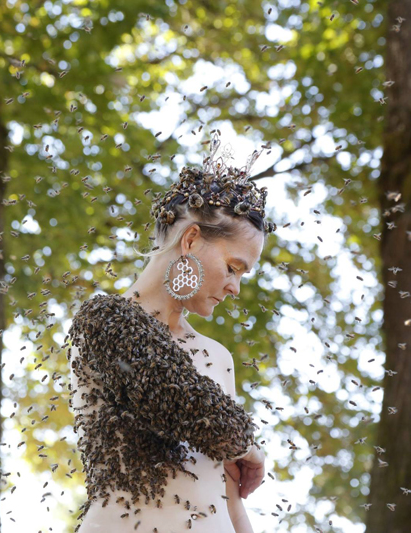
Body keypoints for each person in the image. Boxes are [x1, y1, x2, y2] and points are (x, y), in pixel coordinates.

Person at [67, 134, 276, 532]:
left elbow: (229, 504)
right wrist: (248, 445)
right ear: (192, 240)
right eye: (233, 268)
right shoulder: (104, 319)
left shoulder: (218, 357)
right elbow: (172, 396)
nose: (235, 288)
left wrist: (242, 446)